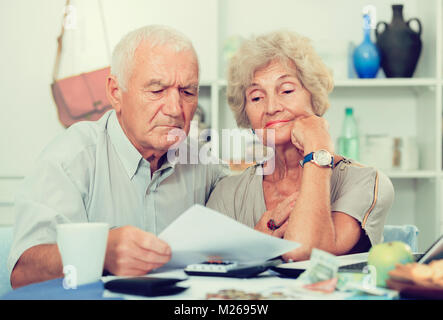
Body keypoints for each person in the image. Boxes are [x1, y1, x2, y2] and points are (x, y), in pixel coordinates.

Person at [9, 25, 228, 288]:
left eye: (188, 92)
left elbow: (243, 218)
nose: (174, 109)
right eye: (156, 90)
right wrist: (100, 253)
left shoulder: (201, 161)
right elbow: (22, 273)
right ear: (115, 92)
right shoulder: (71, 158)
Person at [206, 30, 394, 262]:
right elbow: (207, 269)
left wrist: (317, 146)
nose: (272, 107)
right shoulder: (229, 192)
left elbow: (301, 252)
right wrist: (256, 239)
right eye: (256, 97)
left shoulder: (365, 182)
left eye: (286, 90)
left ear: (313, 96)